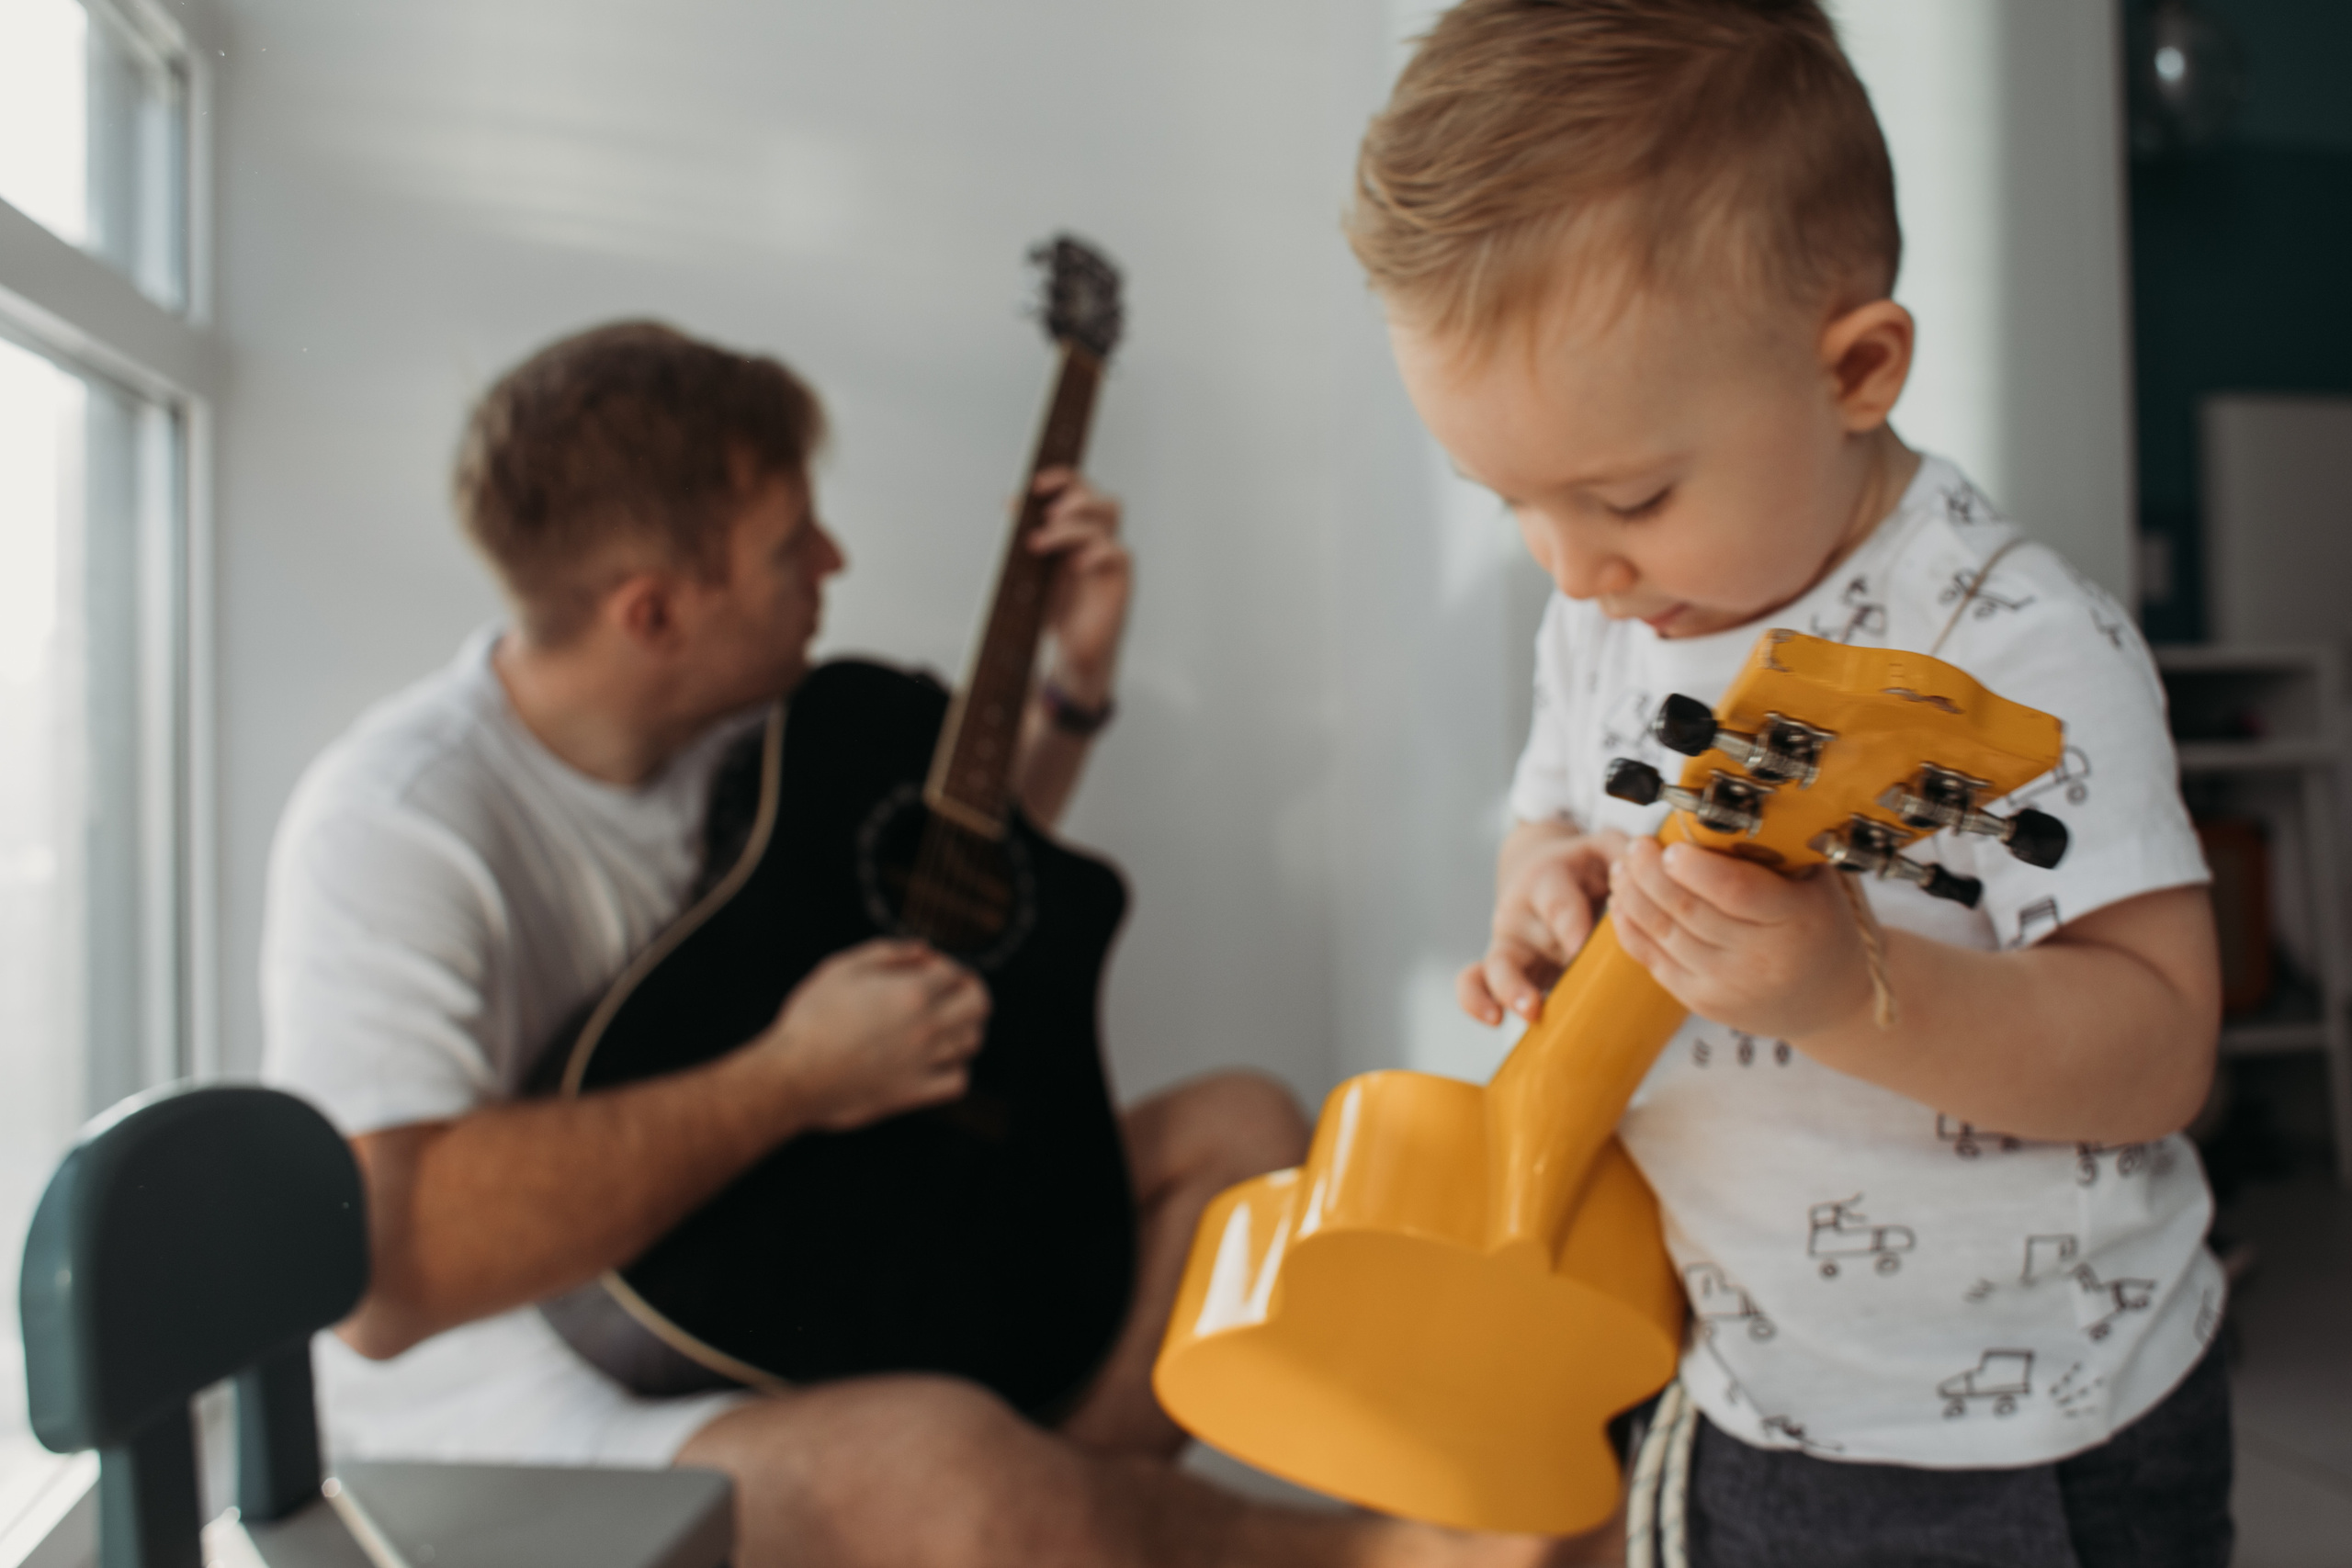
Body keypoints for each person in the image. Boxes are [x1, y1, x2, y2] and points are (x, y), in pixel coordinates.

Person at [262, 321, 1591, 1568]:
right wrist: (789, 1078)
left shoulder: (733, 733)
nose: (830, 566)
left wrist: (1073, 682)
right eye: (790, 548)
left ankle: (1056, 1516)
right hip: (531, 1400)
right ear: (654, 614)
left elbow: (936, 888)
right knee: (948, 1476)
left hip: (790, 1251)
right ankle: (1382, 1559)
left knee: (1244, 1139)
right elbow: (390, 1279)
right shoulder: (400, 824)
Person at [1348, 3, 2231, 1563]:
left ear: (1858, 368)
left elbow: (2161, 1048)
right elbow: (1555, 812)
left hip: (2039, 1432)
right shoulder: (1611, 609)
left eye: (1627, 494)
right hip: (1743, 1381)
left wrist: (1845, 989)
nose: (1576, 568)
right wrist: (1539, 888)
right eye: (1515, 508)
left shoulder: (2015, 647)